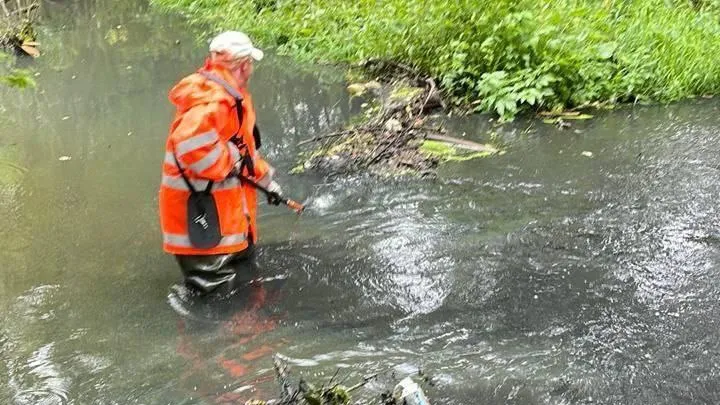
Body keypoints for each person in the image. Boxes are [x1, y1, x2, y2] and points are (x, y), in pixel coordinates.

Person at [159, 31, 283, 295]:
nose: (251, 69)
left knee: (241, 291)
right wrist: (230, 160)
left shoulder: (227, 95)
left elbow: (243, 152)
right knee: (215, 302)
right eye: (251, 63)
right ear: (244, 65)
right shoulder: (214, 100)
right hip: (204, 223)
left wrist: (266, 181)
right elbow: (191, 144)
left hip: (226, 223)